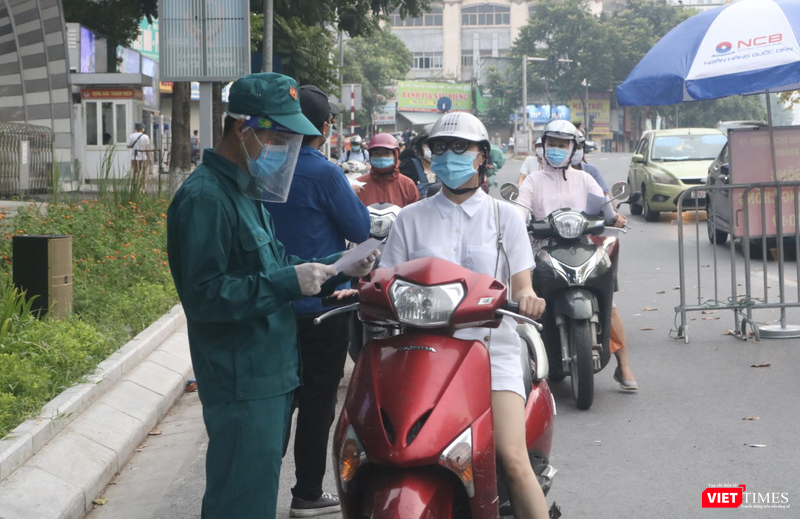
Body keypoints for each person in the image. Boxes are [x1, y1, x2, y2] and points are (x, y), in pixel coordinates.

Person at [167, 72, 376, 519]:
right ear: (244, 128)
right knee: (240, 502)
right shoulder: (205, 198)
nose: (285, 149)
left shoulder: (246, 191)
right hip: (241, 376)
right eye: (278, 138)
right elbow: (205, 296)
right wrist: (289, 282)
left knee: (257, 494)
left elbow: (278, 262)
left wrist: (336, 268)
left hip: (270, 372)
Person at [381, 112, 552, 519]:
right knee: (392, 449)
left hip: (491, 350)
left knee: (512, 459)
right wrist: (363, 289)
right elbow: (385, 280)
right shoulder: (409, 218)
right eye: (439, 147)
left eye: (460, 147)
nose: (448, 155)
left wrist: (528, 298)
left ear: (482, 157)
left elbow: (522, 284)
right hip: (420, 352)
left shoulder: (506, 217)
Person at [263, 84, 370, 517]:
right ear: (323, 128)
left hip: (270, 306)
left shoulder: (262, 167)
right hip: (320, 310)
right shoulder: (324, 173)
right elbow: (360, 228)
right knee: (316, 402)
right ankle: (307, 492)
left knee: (274, 404)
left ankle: (258, 492)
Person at [516, 120, 638, 390]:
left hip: (582, 245)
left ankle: (624, 365)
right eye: (552, 144)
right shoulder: (534, 181)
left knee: (610, 305)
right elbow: (519, 211)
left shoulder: (585, 179)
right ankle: (524, 362)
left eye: (562, 145)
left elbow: (604, 208)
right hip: (542, 248)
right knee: (523, 304)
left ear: (572, 149)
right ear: (543, 146)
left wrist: (614, 217)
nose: (556, 149)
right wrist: (514, 221)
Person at [355, 133, 420, 208]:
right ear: (370, 156)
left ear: (395, 155)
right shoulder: (359, 184)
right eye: (376, 153)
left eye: (387, 153)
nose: (382, 157)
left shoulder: (407, 185)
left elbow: (415, 212)